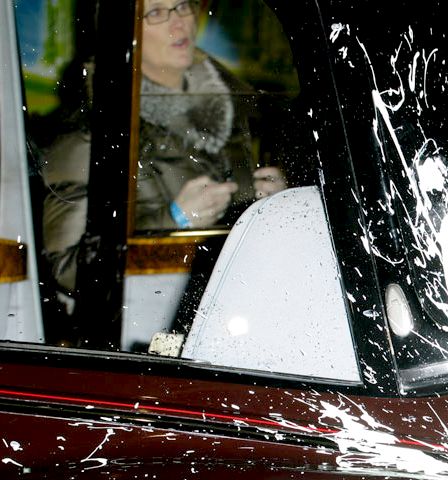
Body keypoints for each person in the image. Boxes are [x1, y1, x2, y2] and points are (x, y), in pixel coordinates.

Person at [40, 0, 287, 295]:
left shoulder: (239, 116)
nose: (178, 22)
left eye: (182, 6)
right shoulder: (88, 134)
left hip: (238, 304)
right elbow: (69, 270)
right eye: (156, 12)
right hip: (143, 318)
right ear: (122, 32)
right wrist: (175, 221)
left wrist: (274, 205)